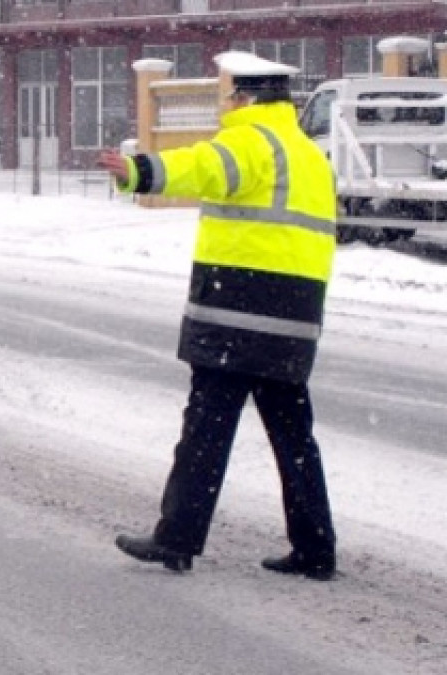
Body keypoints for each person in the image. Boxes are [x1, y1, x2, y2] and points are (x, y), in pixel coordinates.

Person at [96, 51, 338, 580]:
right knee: (294, 436)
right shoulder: (309, 155)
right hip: (293, 318)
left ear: (248, 98)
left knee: (206, 429)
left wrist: (140, 169)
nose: (229, 105)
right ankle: (316, 548)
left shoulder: (251, 141)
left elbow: (202, 167)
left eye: (232, 96)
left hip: (237, 312)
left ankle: (177, 538)